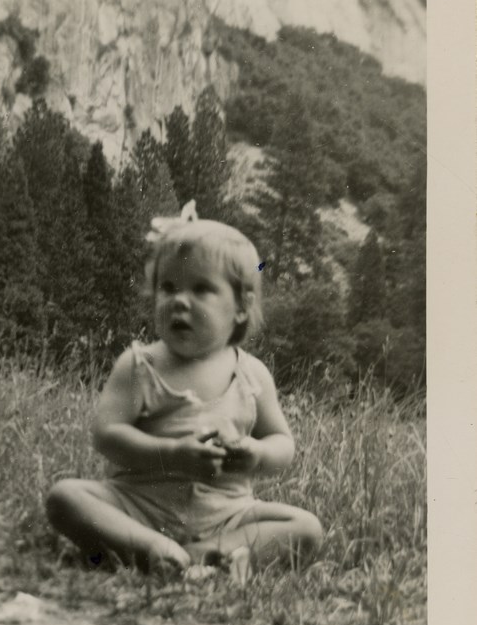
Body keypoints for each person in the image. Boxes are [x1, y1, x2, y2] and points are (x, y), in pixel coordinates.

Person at [46, 203, 323, 575]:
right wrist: (171, 455)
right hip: (138, 505)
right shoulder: (140, 365)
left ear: (241, 306)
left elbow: (282, 443)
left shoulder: (252, 375)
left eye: (201, 289)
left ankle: (205, 552)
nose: (179, 300)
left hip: (226, 512)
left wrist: (255, 454)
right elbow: (107, 436)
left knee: (306, 528)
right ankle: (151, 546)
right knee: (66, 497)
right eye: (168, 287)